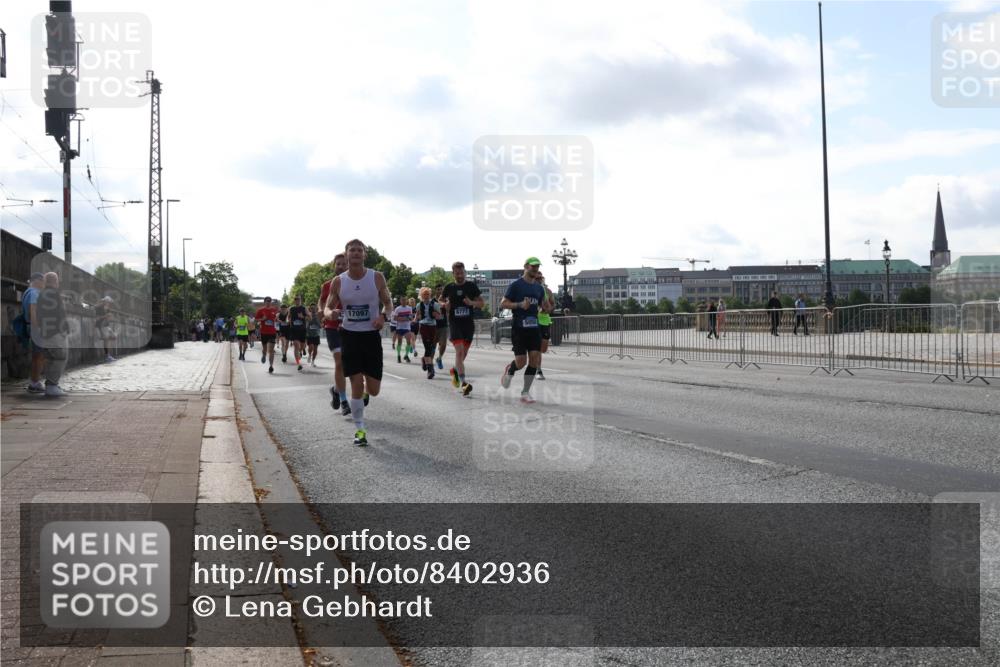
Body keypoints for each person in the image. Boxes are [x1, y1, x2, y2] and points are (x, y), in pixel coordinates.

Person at [324, 239, 393, 446]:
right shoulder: (338, 281)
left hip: (371, 336)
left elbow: (388, 303)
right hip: (349, 335)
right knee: (355, 381)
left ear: (364, 255)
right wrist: (331, 313)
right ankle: (360, 429)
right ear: (346, 255)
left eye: (359, 250)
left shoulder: (377, 277)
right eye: (351, 250)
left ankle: (365, 391)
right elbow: (327, 308)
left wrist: (383, 317)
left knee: (373, 390)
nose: (355, 253)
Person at [499, 258, 546, 404]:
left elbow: (543, 305)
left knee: (534, 359)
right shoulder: (516, 285)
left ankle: (525, 392)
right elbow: (503, 303)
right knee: (521, 362)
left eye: (537, 267)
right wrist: (519, 304)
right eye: (533, 266)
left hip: (534, 328)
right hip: (519, 328)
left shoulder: (539, 288)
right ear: (526, 267)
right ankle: (510, 369)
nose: (535, 269)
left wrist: (547, 307)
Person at [440, 261, 483, 396]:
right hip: (454, 323)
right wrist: (444, 305)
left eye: (461, 272)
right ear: (453, 273)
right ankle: (464, 383)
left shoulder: (471, 286)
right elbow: (440, 300)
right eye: (457, 273)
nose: (459, 275)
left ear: (465, 272)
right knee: (459, 352)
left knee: (463, 355)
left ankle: (454, 371)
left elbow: (481, 303)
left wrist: (471, 303)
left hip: (468, 324)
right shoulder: (449, 287)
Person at [320, 253, 350, 415]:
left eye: (344, 264)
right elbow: (322, 302)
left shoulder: (354, 283)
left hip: (350, 328)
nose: (341, 266)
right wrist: (324, 311)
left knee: (348, 364)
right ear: (334, 266)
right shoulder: (327, 285)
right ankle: (345, 401)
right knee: (339, 362)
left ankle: (336, 391)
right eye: (338, 264)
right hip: (332, 327)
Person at [33, 272, 69, 397]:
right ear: (55, 281)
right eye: (57, 281)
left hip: (46, 332)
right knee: (59, 357)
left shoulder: (42, 294)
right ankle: (52, 385)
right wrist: (63, 329)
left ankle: (51, 384)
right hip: (55, 333)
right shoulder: (53, 294)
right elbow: (59, 314)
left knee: (50, 359)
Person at [23, 272, 46, 393]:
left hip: (32, 327)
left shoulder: (28, 292)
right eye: (43, 282)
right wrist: (38, 327)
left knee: (37, 356)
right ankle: (34, 383)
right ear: (37, 281)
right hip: (36, 328)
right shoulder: (34, 293)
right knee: (39, 356)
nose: (44, 285)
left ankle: (34, 381)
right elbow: (33, 312)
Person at [415, 287, 442, 379]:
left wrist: (435, 314)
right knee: (427, 346)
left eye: (427, 294)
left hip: (432, 326)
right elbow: (417, 315)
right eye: (424, 295)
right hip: (423, 326)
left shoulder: (435, 304)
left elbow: (439, 316)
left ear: (430, 295)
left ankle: (424, 360)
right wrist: (415, 319)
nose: (426, 296)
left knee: (431, 347)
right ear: (421, 296)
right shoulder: (419, 305)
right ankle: (431, 370)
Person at [535, 273, 556, 380]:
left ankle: (534, 362)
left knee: (543, 349)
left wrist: (548, 309)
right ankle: (538, 370)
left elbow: (553, 304)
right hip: (534, 321)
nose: (538, 280)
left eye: (540, 278)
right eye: (536, 278)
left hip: (545, 320)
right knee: (537, 348)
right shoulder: (529, 290)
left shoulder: (547, 291)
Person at [255, 296, 280, 373]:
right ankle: (263, 355)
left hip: (272, 332)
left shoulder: (274, 310)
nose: (268, 302)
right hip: (264, 332)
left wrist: (277, 320)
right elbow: (256, 319)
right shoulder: (260, 310)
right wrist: (262, 319)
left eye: (269, 301)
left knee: (271, 350)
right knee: (265, 349)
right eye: (267, 301)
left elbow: (277, 318)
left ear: (271, 302)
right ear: (264, 302)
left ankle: (271, 366)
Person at [287, 295, 309, 371]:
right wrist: (288, 321)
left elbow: (310, 318)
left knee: (302, 347)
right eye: (296, 299)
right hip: (294, 330)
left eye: (298, 299)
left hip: (302, 330)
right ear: (294, 301)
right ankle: (298, 363)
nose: (297, 300)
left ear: (300, 300)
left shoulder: (304, 308)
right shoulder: (291, 308)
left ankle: (301, 351)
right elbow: (288, 317)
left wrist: (303, 317)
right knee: (296, 346)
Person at [391, 297, 414, 363]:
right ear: (400, 301)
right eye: (402, 300)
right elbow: (395, 318)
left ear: (406, 301)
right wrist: (404, 319)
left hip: (407, 327)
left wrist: (407, 318)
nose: (404, 301)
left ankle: (406, 355)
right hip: (399, 327)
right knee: (399, 342)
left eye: (405, 300)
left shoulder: (409, 308)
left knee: (409, 342)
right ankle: (398, 356)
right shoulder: (398, 309)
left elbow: (411, 317)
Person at [95, 296, 118, 362]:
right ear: (105, 301)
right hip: (101, 326)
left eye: (110, 303)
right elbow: (97, 318)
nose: (109, 304)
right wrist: (106, 316)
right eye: (108, 302)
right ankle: (107, 356)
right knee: (106, 340)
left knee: (114, 337)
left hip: (106, 326)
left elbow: (108, 318)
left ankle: (107, 355)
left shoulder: (107, 309)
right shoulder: (99, 308)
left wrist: (110, 318)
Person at [433, 285, 448, 370]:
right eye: (438, 289)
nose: (440, 291)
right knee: (433, 345)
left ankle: (439, 358)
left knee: (444, 344)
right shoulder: (432, 301)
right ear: (436, 291)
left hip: (443, 325)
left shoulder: (446, 300)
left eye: (441, 289)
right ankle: (430, 363)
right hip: (434, 325)